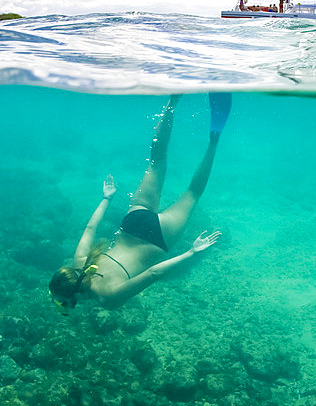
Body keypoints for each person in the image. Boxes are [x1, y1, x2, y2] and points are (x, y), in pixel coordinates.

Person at [49, 94, 231, 310]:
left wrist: (190, 254)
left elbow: (153, 273)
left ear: (73, 298)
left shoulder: (107, 298)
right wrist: (107, 198)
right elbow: (90, 227)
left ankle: (214, 139)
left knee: (193, 192)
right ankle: (173, 101)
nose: (67, 307)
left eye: (66, 305)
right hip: (132, 222)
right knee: (156, 160)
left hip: (159, 239)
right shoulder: (79, 262)